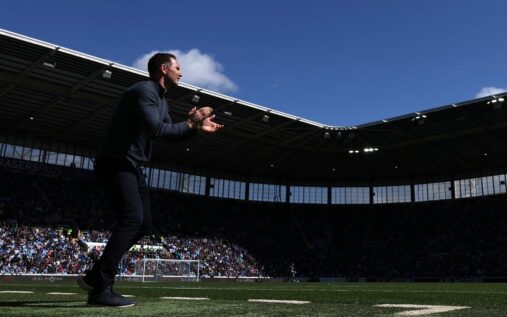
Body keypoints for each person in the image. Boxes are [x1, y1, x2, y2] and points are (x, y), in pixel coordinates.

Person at [77, 52, 223, 307]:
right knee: (132, 218)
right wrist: (190, 122)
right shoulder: (144, 91)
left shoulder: (162, 101)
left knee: (144, 225)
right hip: (116, 161)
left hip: (132, 165)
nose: (181, 72)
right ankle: (101, 288)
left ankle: (94, 277)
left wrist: (195, 129)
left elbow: (168, 134)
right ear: (164, 69)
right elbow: (157, 129)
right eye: (178, 67)